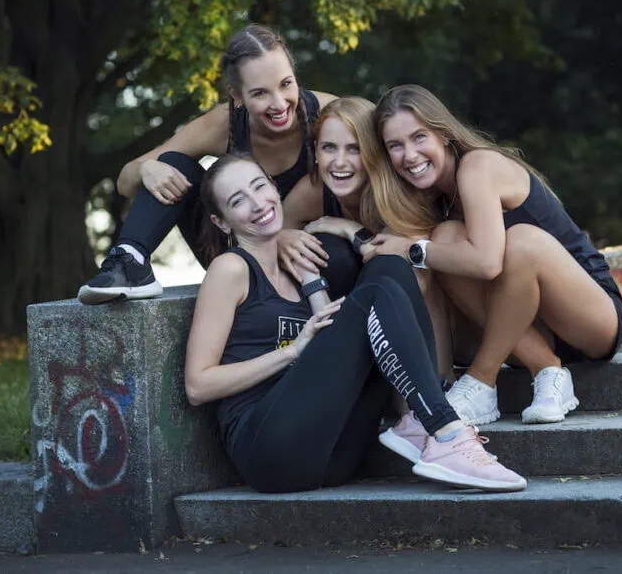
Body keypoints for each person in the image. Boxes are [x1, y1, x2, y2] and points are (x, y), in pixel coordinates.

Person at [183, 152, 526, 493]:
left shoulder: (297, 265)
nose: (258, 203)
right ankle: (444, 429)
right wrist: (291, 352)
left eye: (259, 186)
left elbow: (330, 345)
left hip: (333, 453)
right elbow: (198, 386)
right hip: (269, 451)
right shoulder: (231, 269)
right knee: (373, 293)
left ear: (274, 186)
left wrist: (312, 281)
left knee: (390, 266)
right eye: (238, 201)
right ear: (221, 222)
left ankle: (417, 419)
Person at [361, 85, 622, 426]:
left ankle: (481, 379)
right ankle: (546, 368)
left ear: (443, 133)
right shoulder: (434, 201)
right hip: (529, 330)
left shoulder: (478, 166)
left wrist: (414, 250)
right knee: (445, 239)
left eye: (419, 137)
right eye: (395, 145)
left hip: (591, 319)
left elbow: (487, 263)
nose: (410, 155)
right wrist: (341, 227)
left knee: (519, 243)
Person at [77, 24, 338, 304]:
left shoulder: (329, 115)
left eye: (286, 84)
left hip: (311, 253)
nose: (279, 103)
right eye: (260, 93)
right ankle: (129, 263)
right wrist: (146, 169)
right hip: (237, 253)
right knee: (173, 163)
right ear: (236, 95)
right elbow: (124, 182)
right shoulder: (222, 124)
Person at [278, 97, 454, 377]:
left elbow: (399, 270)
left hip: (433, 329)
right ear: (316, 150)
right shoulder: (312, 191)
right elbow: (265, 242)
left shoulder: (399, 192)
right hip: (351, 322)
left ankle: (441, 381)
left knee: (407, 271)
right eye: (329, 147)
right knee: (326, 252)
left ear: (373, 152)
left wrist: (350, 229)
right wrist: (283, 238)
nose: (340, 162)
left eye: (354, 149)